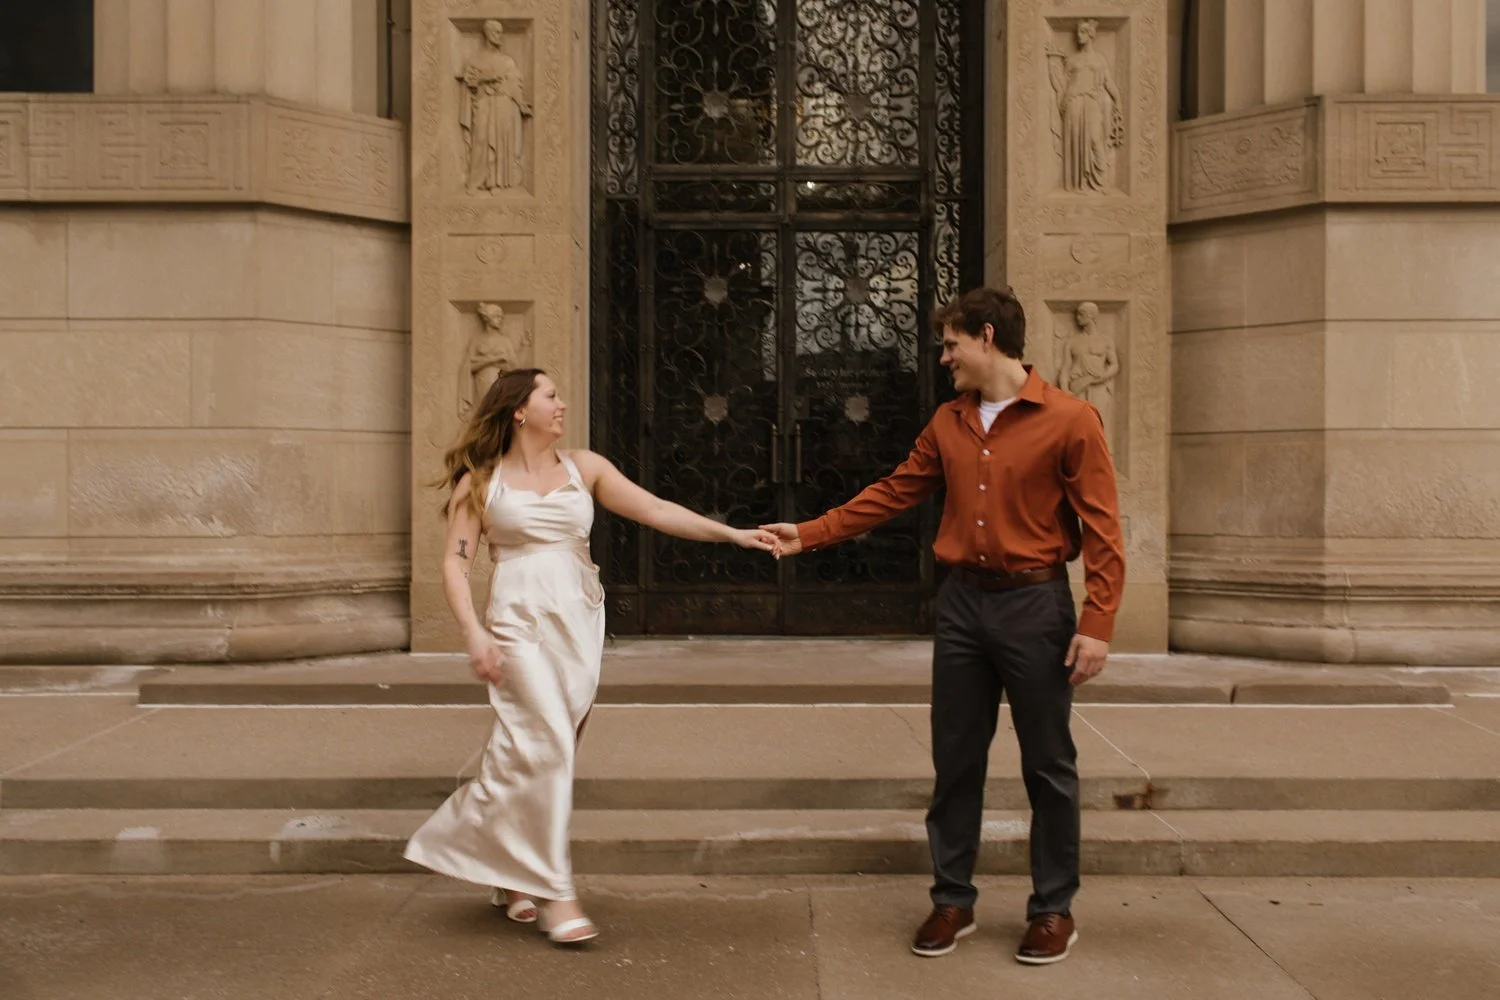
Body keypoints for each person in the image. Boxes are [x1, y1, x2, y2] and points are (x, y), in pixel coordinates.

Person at [763, 286, 1125, 965]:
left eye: (951, 343)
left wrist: (1098, 621)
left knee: (1049, 765)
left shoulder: (1072, 420)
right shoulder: (948, 422)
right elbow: (895, 491)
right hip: (963, 606)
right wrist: (809, 534)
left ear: (988, 337)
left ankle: (1053, 909)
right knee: (956, 760)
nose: (943, 357)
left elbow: (1104, 529)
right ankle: (951, 900)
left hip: (1036, 607)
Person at [405, 367, 777, 945]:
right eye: (549, 396)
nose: (562, 404)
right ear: (518, 411)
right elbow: (455, 562)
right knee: (549, 741)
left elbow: (655, 510)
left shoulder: (587, 468)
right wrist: (473, 633)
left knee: (547, 750)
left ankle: (509, 876)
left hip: (578, 621)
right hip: (516, 622)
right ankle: (557, 892)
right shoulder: (480, 482)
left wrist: (734, 535)